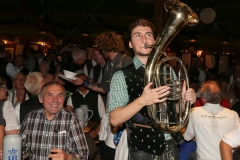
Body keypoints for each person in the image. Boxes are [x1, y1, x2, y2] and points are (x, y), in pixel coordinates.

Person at [109, 19, 196, 160]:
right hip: (143, 150)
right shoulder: (121, 76)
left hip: (172, 144)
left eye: (148, 35)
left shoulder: (168, 70)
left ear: (155, 40)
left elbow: (175, 111)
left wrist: (185, 102)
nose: (144, 39)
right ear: (130, 44)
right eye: (138, 35)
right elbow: (114, 119)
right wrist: (142, 101)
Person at [19, 81, 89, 159]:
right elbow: (20, 150)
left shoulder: (72, 120)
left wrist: (68, 158)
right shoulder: (30, 118)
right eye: (50, 95)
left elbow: (83, 155)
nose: (55, 100)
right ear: (41, 99)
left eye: (59, 96)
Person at [183, 80, 239, 159]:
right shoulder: (233, 114)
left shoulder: (195, 112)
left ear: (203, 99)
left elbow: (187, 137)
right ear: (220, 97)